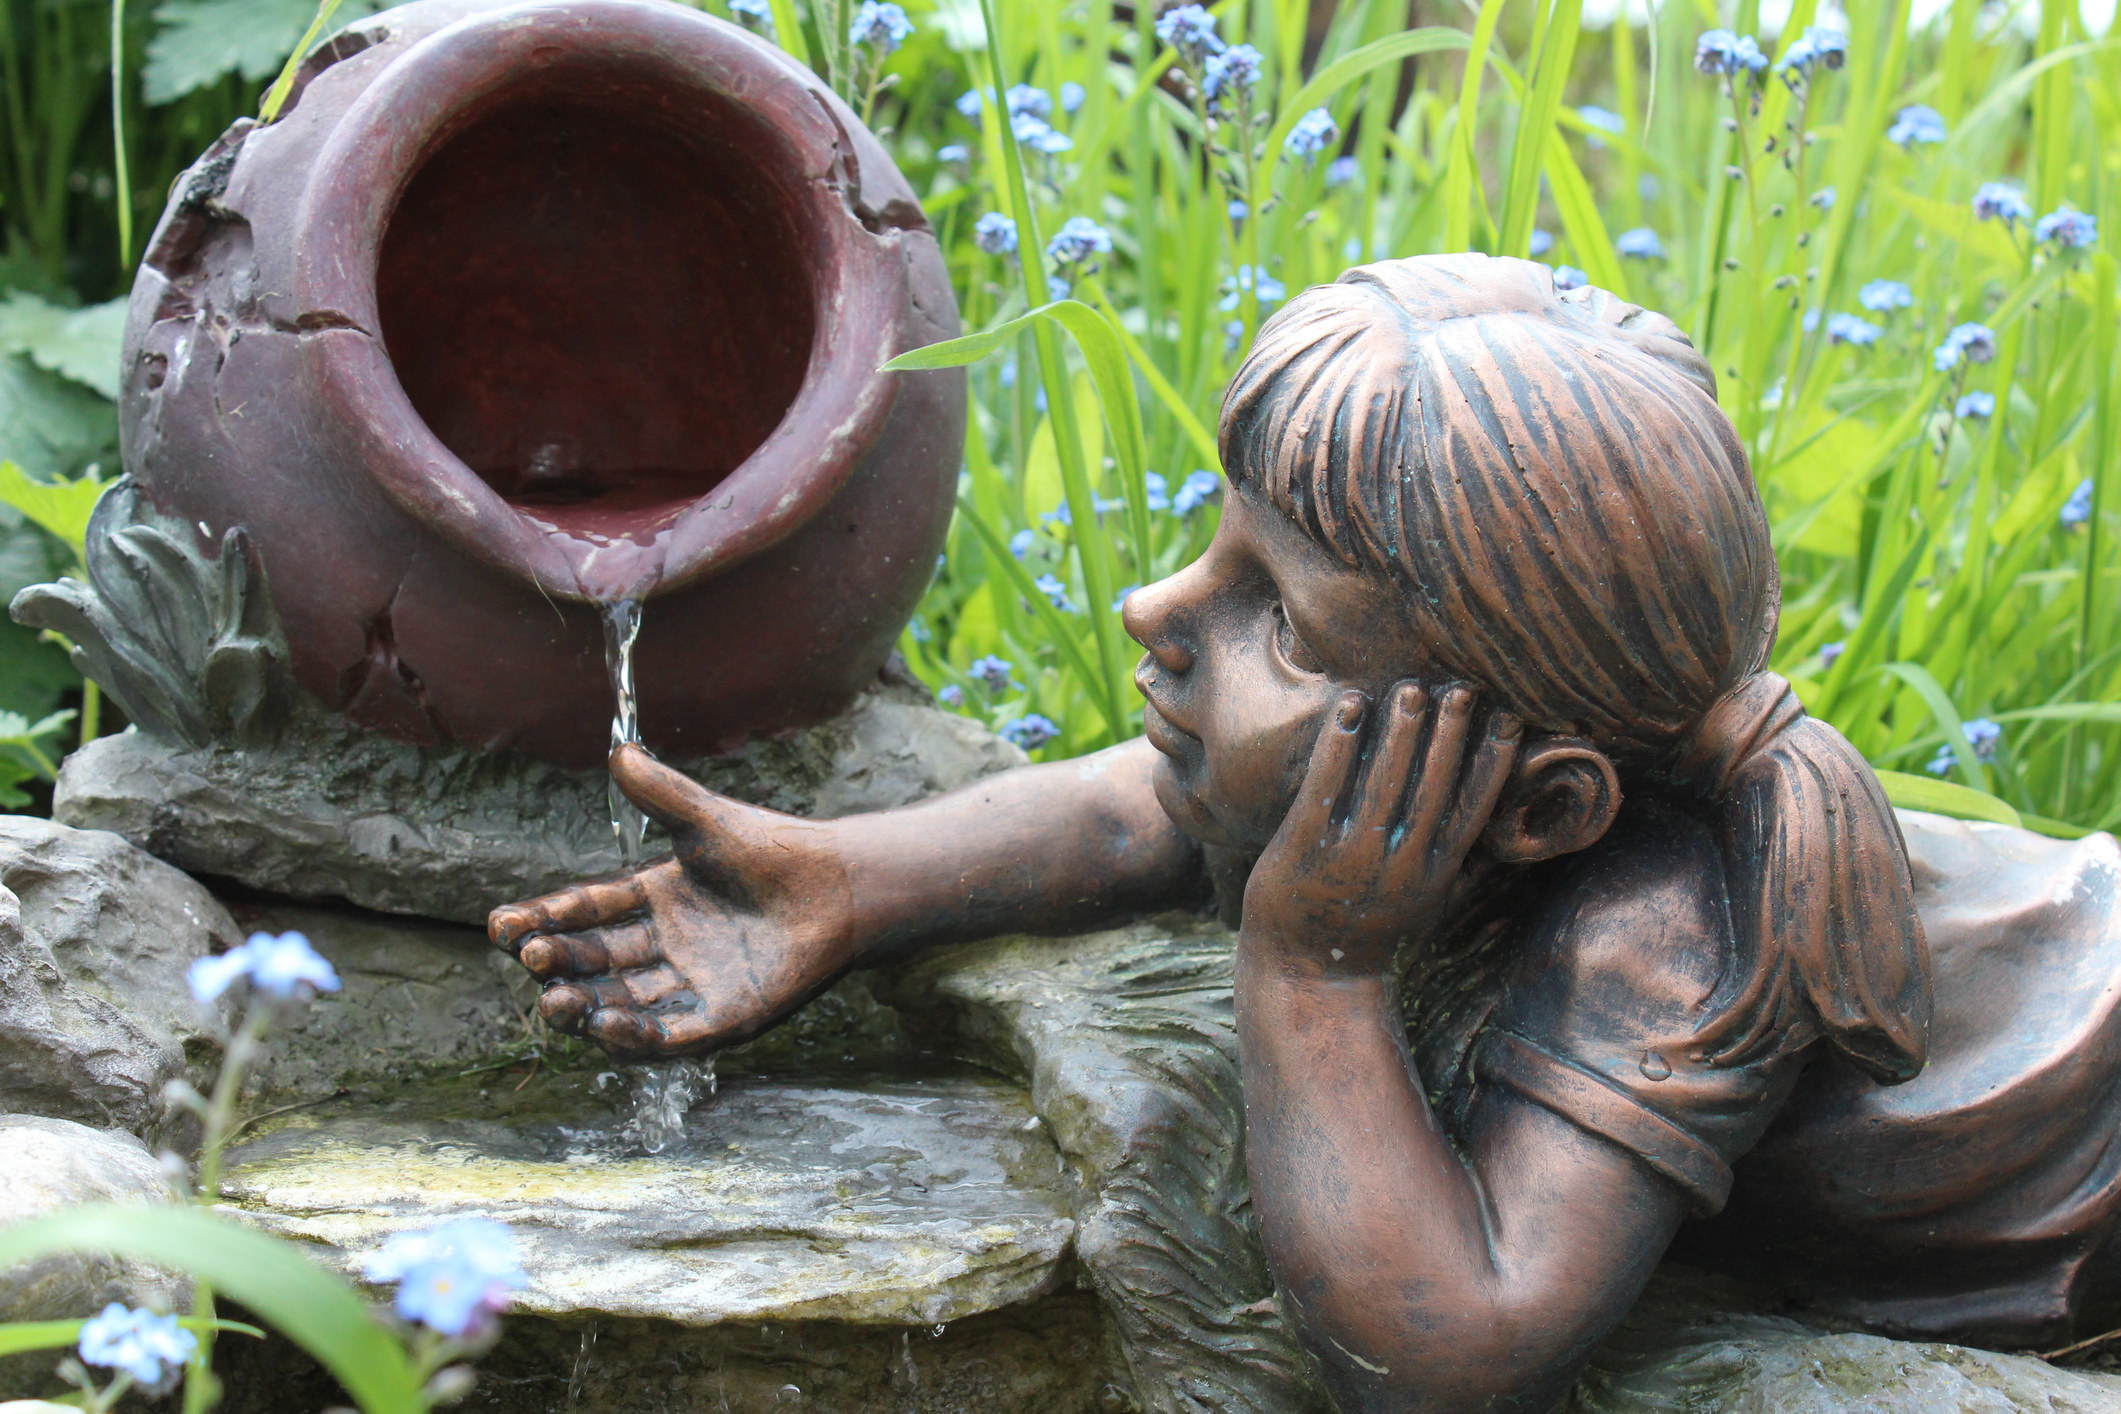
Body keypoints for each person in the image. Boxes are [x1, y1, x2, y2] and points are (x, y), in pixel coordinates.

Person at [490, 254, 2121, 1411]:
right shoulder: (1485, 795)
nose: (1151, 606)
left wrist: (1317, 966)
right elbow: (1151, 804)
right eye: (1218, 548)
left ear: (1542, 806)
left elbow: (1445, 1344)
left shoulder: (1654, 930)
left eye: (1278, 616)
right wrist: (849, 882)